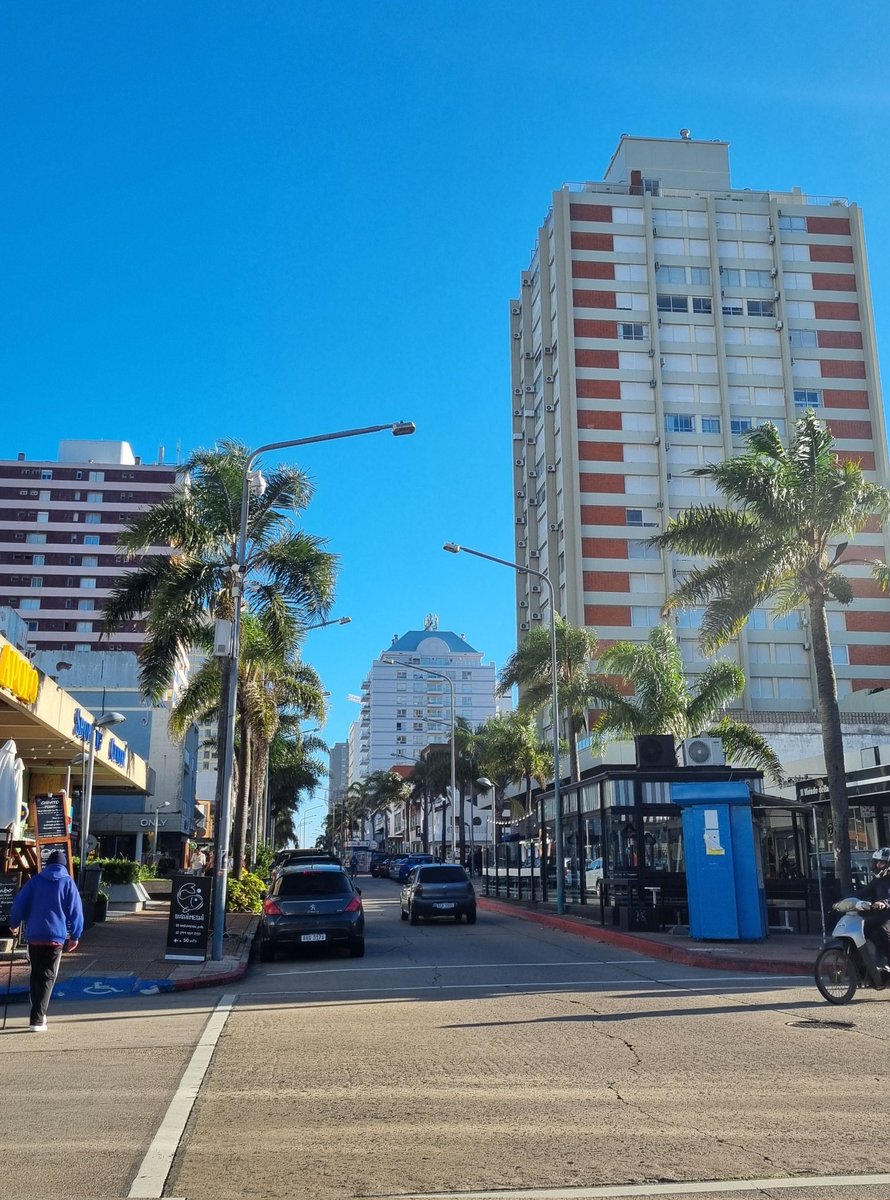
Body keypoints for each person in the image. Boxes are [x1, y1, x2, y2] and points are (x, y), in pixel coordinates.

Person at [9, 849, 84, 1032]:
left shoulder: (35, 881)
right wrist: (75, 935)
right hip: (55, 937)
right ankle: (38, 1018)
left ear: (48, 864)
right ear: (64, 865)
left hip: (34, 935)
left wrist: (14, 923)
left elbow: (19, 903)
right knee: (47, 977)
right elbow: (77, 911)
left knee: (35, 974)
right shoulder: (68, 883)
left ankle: (36, 1013)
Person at [855, 847, 890, 971]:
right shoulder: (877, 881)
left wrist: (885, 903)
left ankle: (884, 961)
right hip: (878, 918)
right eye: (876, 862)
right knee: (860, 929)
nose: (878, 865)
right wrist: (845, 900)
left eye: (882, 862)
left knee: (880, 932)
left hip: (887, 919)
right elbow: (863, 893)